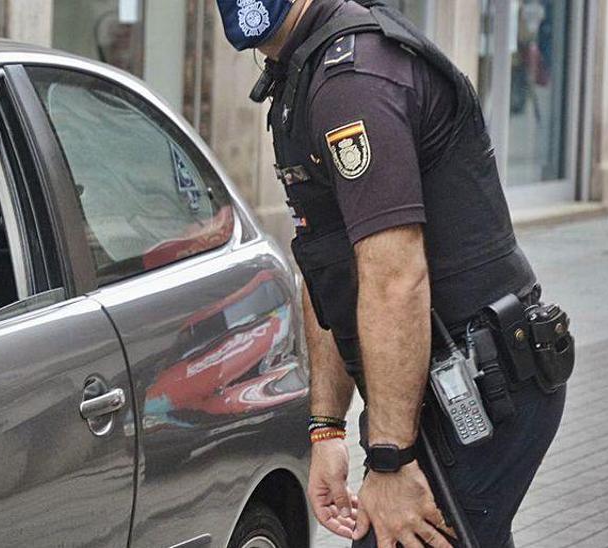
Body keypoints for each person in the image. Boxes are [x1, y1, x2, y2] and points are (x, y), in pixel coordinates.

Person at [212, 1, 570, 547]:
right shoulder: (302, 73)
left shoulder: (352, 80)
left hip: (480, 388)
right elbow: (327, 267)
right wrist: (326, 427)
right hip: (430, 392)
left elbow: (394, 279)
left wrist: (390, 461)